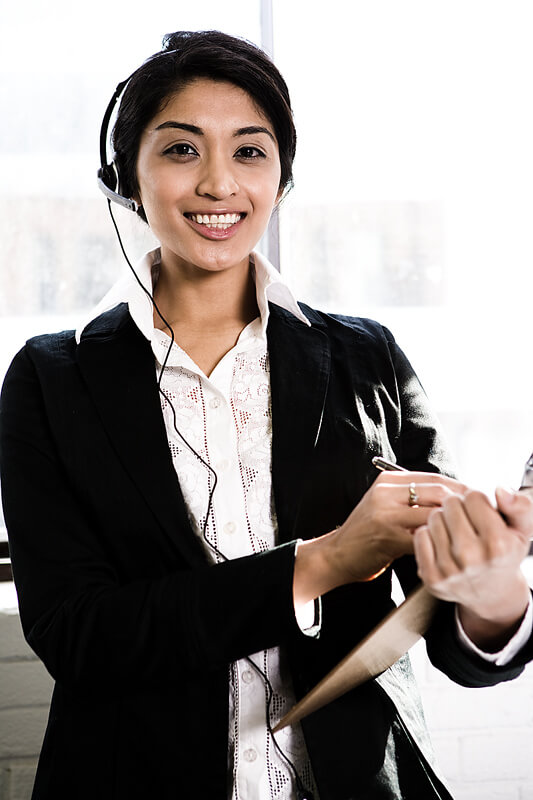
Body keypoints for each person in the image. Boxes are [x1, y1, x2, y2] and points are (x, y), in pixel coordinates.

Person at [0, 29, 532, 800]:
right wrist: (325, 560)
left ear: (281, 177)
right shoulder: (50, 378)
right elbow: (79, 636)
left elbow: (452, 635)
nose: (219, 182)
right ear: (125, 177)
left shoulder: (367, 359)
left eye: (249, 151)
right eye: (181, 149)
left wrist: (490, 592)